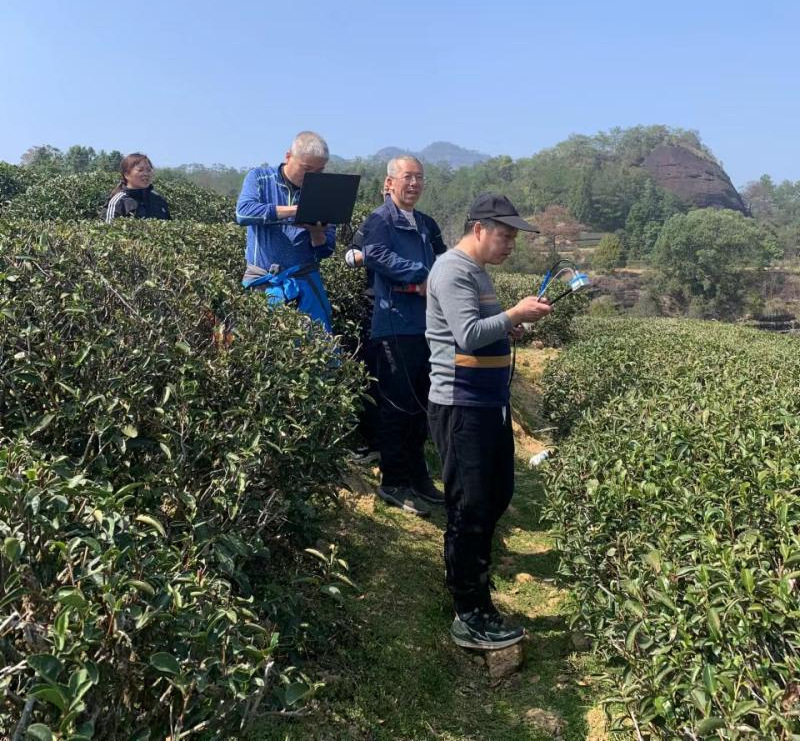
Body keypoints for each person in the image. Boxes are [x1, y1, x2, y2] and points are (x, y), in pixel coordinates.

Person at [426, 193, 553, 650]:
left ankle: (473, 580)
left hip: (487, 403)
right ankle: (469, 611)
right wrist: (514, 314)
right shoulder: (453, 270)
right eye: (505, 236)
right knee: (470, 506)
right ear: (479, 229)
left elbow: (481, 327)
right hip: (462, 405)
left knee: (497, 494)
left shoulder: (477, 272)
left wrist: (507, 325)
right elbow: (467, 335)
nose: (510, 246)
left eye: (514, 238)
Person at [361, 156, 446, 516]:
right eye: (408, 177)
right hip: (395, 324)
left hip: (425, 325)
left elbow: (443, 260)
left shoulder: (424, 223)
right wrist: (421, 273)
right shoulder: (380, 220)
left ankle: (418, 476)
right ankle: (393, 481)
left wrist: (438, 277)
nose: (414, 184)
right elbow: (374, 254)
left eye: (419, 178)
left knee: (421, 405)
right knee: (397, 405)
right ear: (390, 182)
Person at [235, 131, 336, 332]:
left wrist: (317, 234)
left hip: (306, 284)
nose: (312, 177)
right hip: (263, 283)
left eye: (319, 171)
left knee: (316, 345)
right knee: (262, 343)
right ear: (288, 156)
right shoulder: (260, 178)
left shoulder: (325, 190)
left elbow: (326, 250)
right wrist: (296, 211)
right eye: (306, 169)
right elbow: (243, 212)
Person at [101, 153, 170, 223]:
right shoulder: (119, 201)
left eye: (149, 170)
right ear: (126, 175)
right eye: (140, 170)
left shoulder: (158, 199)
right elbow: (108, 228)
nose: (146, 174)